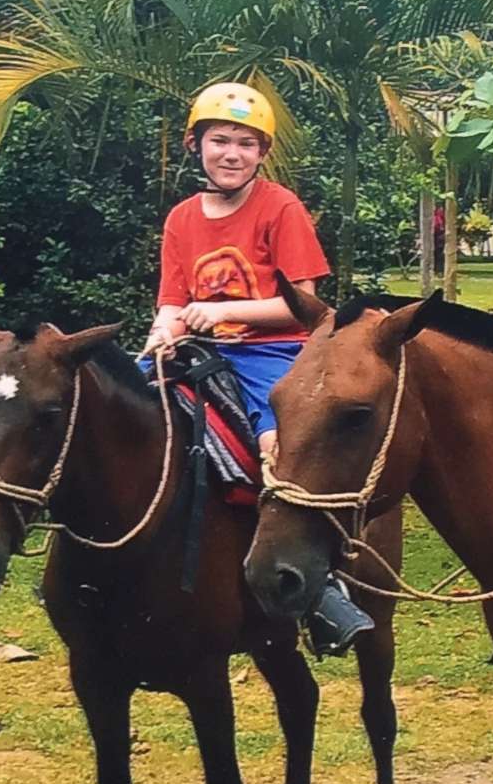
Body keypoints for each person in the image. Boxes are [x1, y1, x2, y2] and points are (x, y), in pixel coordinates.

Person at [141, 81, 375, 652]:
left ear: (262, 154)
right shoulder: (180, 219)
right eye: (219, 140)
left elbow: (303, 300)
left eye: (246, 144)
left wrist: (218, 310)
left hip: (272, 351)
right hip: (200, 351)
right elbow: (171, 301)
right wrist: (160, 336)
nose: (231, 153)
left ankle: (323, 589)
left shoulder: (280, 207)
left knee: (280, 447)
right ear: (195, 144)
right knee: (113, 413)